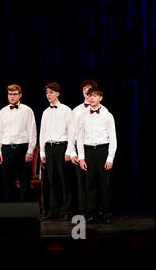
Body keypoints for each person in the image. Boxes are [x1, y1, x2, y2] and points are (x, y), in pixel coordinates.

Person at [77, 87, 117, 224]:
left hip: (102, 151)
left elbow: (113, 138)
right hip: (88, 151)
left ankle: (105, 213)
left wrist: (110, 158)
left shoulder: (107, 115)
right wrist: (81, 157)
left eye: (95, 95)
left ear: (100, 97)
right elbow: (80, 137)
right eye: (90, 95)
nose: (92, 98)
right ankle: (91, 213)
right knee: (90, 184)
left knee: (104, 184)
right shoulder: (82, 116)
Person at [0, 84, 37, 202]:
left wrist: (30, 150)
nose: (12, 96)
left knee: (24, 180)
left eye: (14, 94)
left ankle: (23, 210)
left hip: (22, 149)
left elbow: (32, 132)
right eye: (10, 94)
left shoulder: (27, 110)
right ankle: (10, 209)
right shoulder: (3, 111)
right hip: (7, 149)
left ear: (20, 95)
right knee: (7, 180)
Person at [39, 83, 75, 221]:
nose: (49, 95)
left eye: (51, 92)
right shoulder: (45, 112)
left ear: (58, 93)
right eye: (47, 92)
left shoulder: (66, 110)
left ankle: (66, 210)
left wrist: (69, 150)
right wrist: (42, 152)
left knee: (65, 180)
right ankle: (52, 209)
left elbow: (72, 131)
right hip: (49, 148)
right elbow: (43, 133)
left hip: (62, 147)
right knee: (51, 181)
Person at [71, 79, 98, 215]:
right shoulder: (76, 111)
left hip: (95, 149)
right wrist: (72, 152)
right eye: (84, 89)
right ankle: (83, 211)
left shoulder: (102, 110)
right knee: (81, 183)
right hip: (79, 149)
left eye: (89, 89)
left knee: (94, 181)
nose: (87, 91)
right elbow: (72, 133)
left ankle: (95, 210)